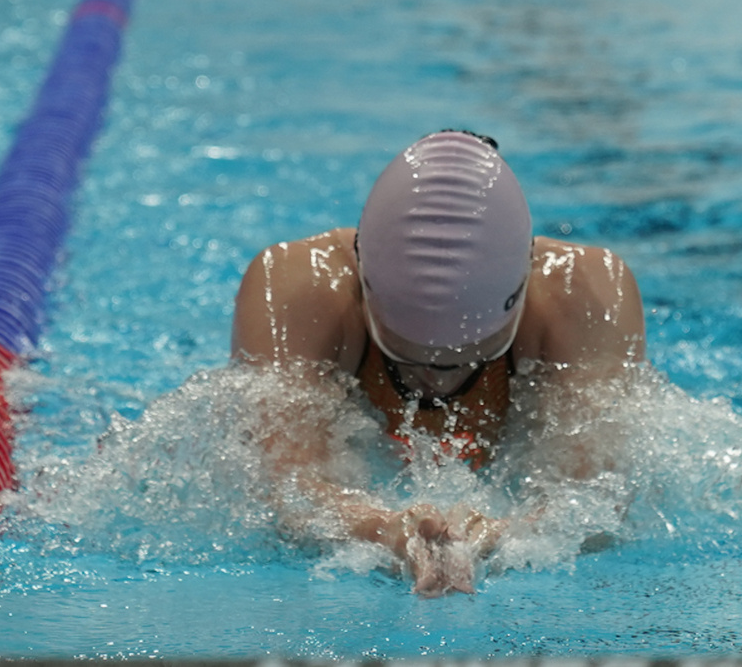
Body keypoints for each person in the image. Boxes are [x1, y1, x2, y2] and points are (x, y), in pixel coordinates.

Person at [231, 130, 646, 595]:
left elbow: (599, 501)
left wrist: (503, 536)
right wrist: (382, 530)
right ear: (363, 284)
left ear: (522, 290)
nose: (431, 380)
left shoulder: (582, 296)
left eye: (467, 363)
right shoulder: (301, 289)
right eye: (402, 357)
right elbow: (282, 490)